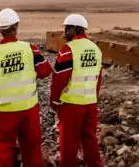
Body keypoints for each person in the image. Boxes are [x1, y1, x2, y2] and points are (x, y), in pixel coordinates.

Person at [0, 8, 52, 167]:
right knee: (32, 149)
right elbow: (45, 71)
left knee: (3, 150)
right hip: (28, 109)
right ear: (16, 26)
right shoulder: (29, 49)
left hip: (4, 111)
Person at [50, 13, 103, 167]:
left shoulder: (68, 50)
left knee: (69, 145)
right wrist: (94, 97)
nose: (65, 32)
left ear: (75, 29)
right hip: (90, 104)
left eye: (67, 29)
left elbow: (59, 79)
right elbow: (98, 78)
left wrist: (54, 100)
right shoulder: (95, 49)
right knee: (90, 142)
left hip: (71, 106)